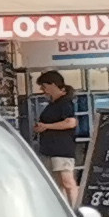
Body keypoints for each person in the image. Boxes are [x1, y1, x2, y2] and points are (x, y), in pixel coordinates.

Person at [33, 69, 84, 205]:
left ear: (53, 85)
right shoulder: (52, 104)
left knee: (67, 181)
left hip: (62, 149)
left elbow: (71, 122)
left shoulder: (65, 102)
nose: (42, 89)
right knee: (55, 185)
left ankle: (75, 210)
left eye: (44, 86)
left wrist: (47, 126)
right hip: (49, 149)